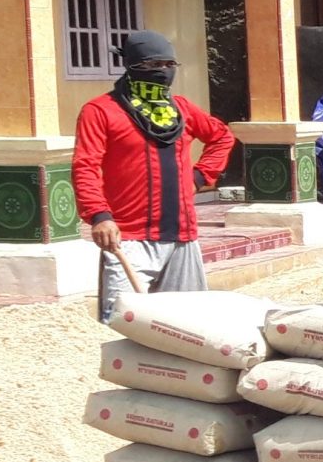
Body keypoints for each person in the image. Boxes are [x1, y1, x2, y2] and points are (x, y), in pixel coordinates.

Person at [72, 31, 236, 323]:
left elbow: (221, 136)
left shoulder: (182, 109)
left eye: (169, 65)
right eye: (152, 66)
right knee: (122, 325)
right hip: (129, 239)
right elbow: (85, 165)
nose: (162, 72)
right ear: (132, 66)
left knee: (188, 326)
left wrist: (199, 177)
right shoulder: (100, 111)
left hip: (182, 237)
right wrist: (99, 215)